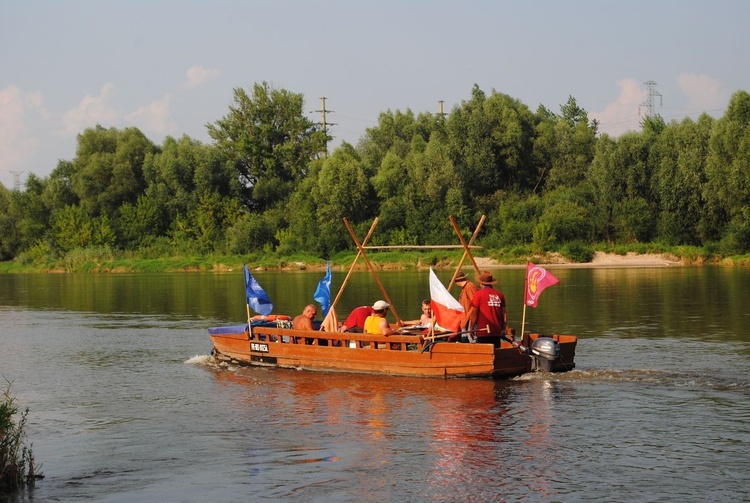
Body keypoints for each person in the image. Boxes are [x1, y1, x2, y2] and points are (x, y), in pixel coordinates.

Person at [466, 271, 507, 346]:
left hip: (483, 331)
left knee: (485, 354)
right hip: (497, 331)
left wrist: (471, 329)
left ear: (481, 283)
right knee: (496, 353)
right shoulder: (499, 294)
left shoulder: (478, 294)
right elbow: (504, 314)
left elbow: (474, 313)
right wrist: (504, 328)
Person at [452, 271, 478, 341]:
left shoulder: (469, 286)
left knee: (472, 340)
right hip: (464, 318)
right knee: (464, 340)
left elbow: (476, 303)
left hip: (470, 319)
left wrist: (471, 318)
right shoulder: (464, 288)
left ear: (456, 281)